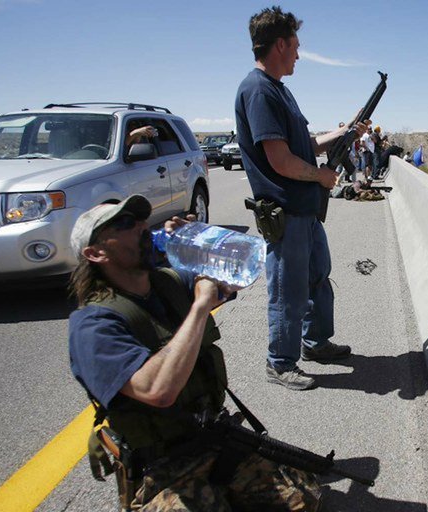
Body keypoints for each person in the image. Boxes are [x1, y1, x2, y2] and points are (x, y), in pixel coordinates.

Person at [67, 195, 322, 510]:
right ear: (95, 253)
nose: (141, 227)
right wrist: (201, 306)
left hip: (213, 437)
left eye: (140, 219)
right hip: (160, 466)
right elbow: (158, 390)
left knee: (303, 500)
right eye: (124, 224)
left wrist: (204, 239)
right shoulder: (93, 325)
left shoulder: (167, 283)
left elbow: (237, 277)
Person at [235, 6, 367, 391]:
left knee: (315, 279)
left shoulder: (279, 90)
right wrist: (321, 176)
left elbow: (304, 145)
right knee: (287, 291)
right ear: (280, 44)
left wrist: (342, 133)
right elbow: (279, 159)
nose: (298, 53)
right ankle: (280, 362)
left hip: (305, 211)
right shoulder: (258, 90)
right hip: (286, 211)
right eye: (295, 45)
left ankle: (315, 342)